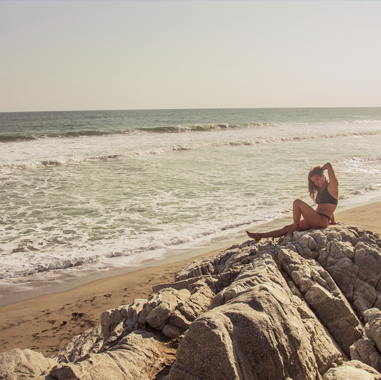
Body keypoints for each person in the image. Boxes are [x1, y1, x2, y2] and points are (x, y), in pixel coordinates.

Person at [246, 163, 338, 242]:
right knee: (286, 228)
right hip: (316, 219)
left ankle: (295, 228)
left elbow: (329, 165)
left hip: (321, 220)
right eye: (314, 181)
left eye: (317, 179)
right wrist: (332, 221)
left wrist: (320, 169)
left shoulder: (332, 186)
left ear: (323, 175)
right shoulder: (321, 189)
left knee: (297, 203)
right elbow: (328, 205)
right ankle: (260, 235)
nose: (316, 183)